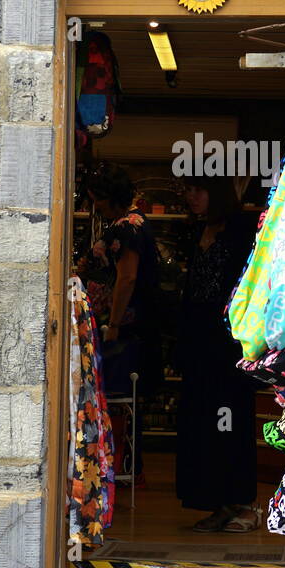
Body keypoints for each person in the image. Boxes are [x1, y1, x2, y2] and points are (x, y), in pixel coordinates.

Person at [175, 177, 259, 532]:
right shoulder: (198, 233)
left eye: (199, 189)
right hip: (199, 342)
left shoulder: (239, 231)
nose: (191, 196)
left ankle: (244, 502)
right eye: (189, 190)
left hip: (229, 344)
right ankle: (219, 500)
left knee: (231, 418)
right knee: (204, 421)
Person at [82, 162, 162, 474]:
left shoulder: (128, 227)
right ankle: (123, 466)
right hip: (122, 324)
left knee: (120, 396)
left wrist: (113, 325)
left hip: (124, 328)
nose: (95, 206)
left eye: (97, 199)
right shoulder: (129, 224)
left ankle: (123, 467)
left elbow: (127, 278)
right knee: (121, 396)